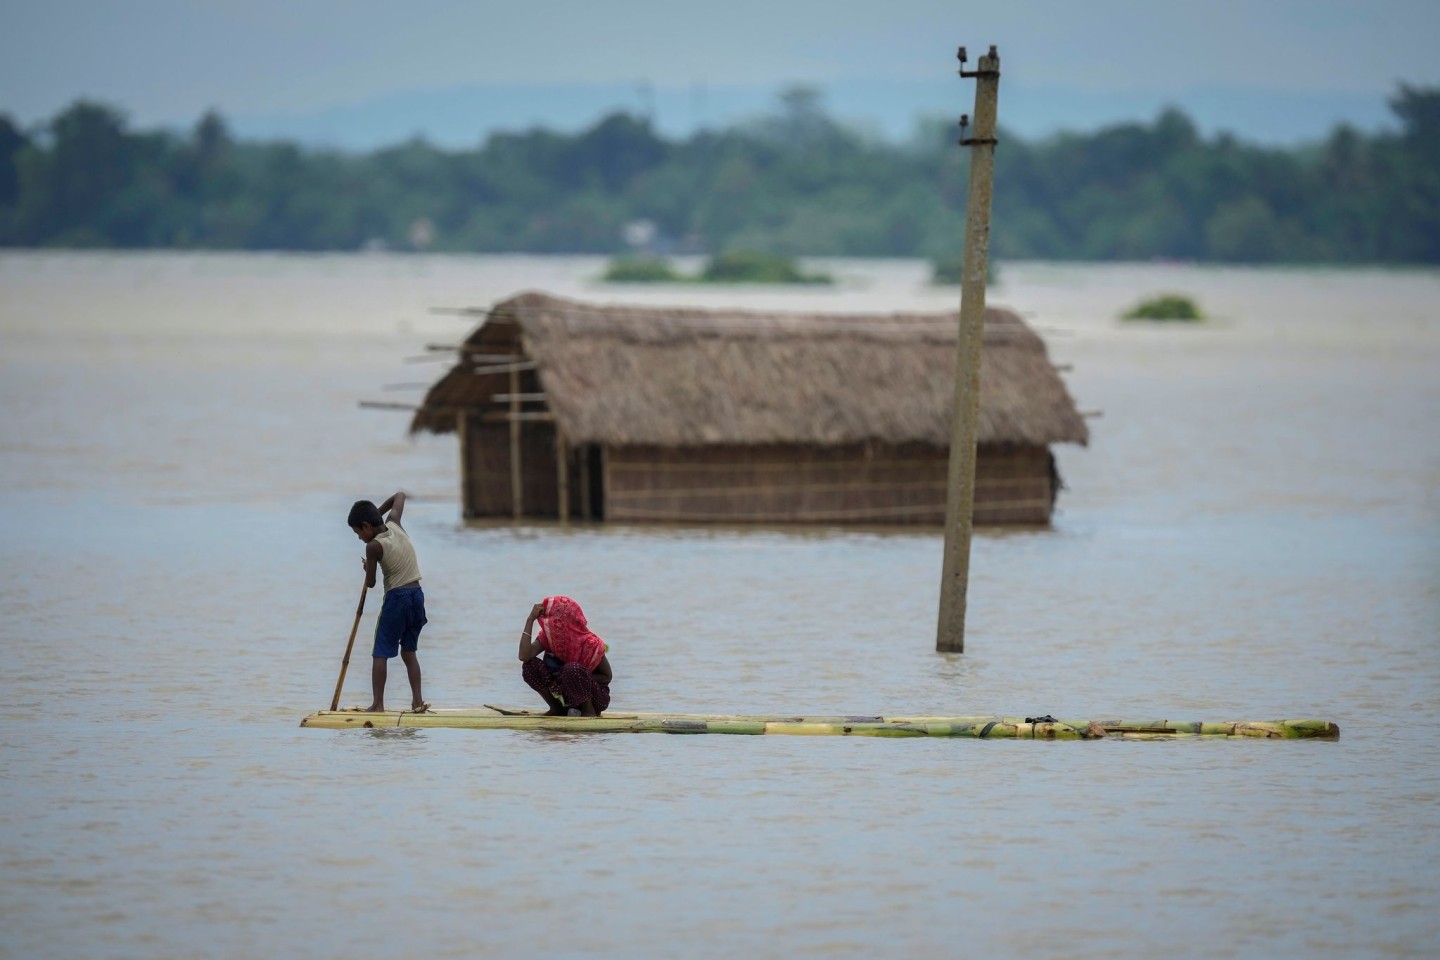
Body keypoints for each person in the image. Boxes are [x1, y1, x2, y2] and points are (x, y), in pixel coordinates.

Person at [347, 491, 429, 713]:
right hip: (417, 595)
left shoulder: (373, 546)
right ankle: (417, 702)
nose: (359, 537)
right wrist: (378, 514)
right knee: (409, 652)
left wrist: (367, 568)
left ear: (366, 526)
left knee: (380, 652)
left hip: (397, 598)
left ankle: (378, 704)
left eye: (357, 532)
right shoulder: (395, 524)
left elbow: (371, 583)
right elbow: (399, 496)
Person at [516, 596, 613, 717]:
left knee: (572, 669)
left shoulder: (589, 643)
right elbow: (524, 656)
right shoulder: (549, 637)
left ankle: (588, 711)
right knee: (530, 666)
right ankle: (556, 709)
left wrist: (571, 680)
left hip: (594, 698)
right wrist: (530, 619)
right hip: (563, 695)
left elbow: (606, 676)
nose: (553, 623)